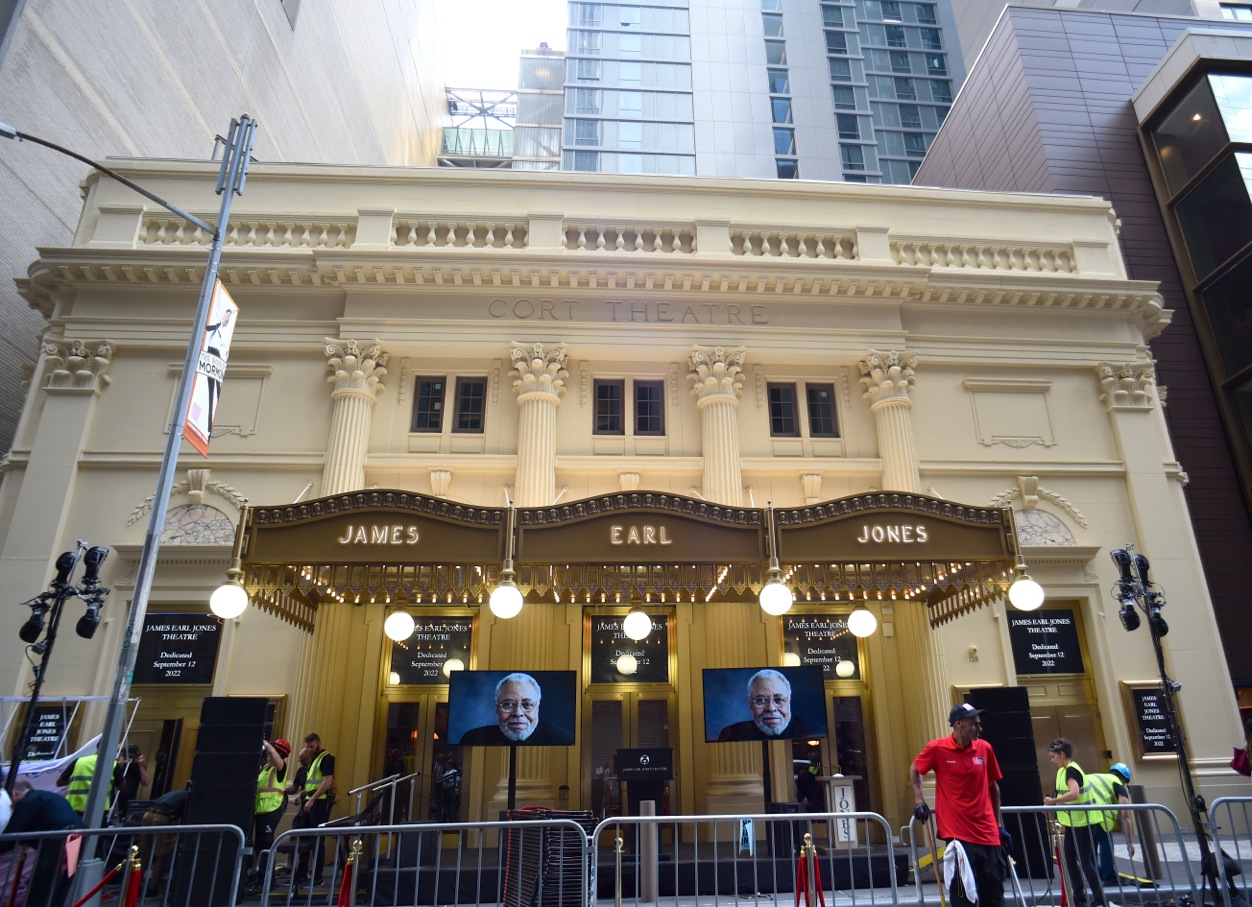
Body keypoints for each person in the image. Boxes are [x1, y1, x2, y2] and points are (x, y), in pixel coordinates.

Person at [910, 703, 1009, 907]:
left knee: (994, 894)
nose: (979, 729)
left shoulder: (985, 748)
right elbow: (915, 769)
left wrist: (999, 825)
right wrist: (919, 800)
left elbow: (993, 787)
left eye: (979, 724)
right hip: (958, 836)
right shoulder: (937, 748)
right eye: (974, 724)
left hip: (988, 833)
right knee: (963, 895)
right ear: (958, 724)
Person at [1044, 738, 1114, 907]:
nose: (1052, 760)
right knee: (1070, 860)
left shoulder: (1071, 771)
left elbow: (1074, 794)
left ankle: (1099, 899)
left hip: (1084, 822)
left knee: (1085, 861)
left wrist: (1053, 802)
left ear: (1062, 754)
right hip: (1074, 822)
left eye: (1053, 756)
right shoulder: (1064, 770)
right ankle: (1080, 899)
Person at [1, 778, 83, 907]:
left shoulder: (28, 802)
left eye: (11, 805)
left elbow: (12, 832)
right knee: (63, 880)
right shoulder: (49, 797)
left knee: (44, 883)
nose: (12, 808)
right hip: (77, 837)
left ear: (14, 794)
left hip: (58, 840)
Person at [458, 673, 569, 745]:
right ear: (496, 708)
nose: (518, 713)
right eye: (508, 704)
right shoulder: (473, 739)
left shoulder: (564, 740)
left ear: (537, 708)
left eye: (527, 705)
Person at [717, 669, 824, 741]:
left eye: (779, 700)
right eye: (761, 700)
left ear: (789, 701)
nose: (771, 709)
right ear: (750, 704)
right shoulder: (731, 735)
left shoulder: (816, 733)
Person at [292, 733, 335, 890]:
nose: (309, 749)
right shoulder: (313, 760)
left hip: (319, 802)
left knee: (317, 840)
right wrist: (302, 794)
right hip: (310, 800)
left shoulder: (327, 758)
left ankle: (316, 877)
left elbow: (327, 781)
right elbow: (312, 784)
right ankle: (302, 875)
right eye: (307, 747)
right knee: (303, 838)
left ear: (319, 743)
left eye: (311, 746)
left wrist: (312, 799)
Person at [247, 739, 291, 890]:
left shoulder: (281, 768)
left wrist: (265, 742)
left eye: (270, 752)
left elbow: (272, 752)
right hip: (260, 810)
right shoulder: (265, 768)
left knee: (266, 844)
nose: (267, 754)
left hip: (272, 810)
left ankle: (268, 881)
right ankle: (260, 878)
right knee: (260, 846)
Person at [1086, 762, 1136, 886]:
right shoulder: (1117, 784)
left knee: (1088, 848)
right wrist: (1129, 842)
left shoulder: (1096, 777)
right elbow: (1125, 815)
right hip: (1100, 818)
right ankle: (1109, 876)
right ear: (1124, 778)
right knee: (1106, 843)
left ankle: (1095, 875)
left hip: (1082, 816)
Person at [140, 786, 189, 896]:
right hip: (162, 817)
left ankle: (135, 886)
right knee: (163, 854)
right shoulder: (189, 798)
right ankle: (153, 888)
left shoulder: (178, 793)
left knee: (145, 853)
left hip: (147, 814)